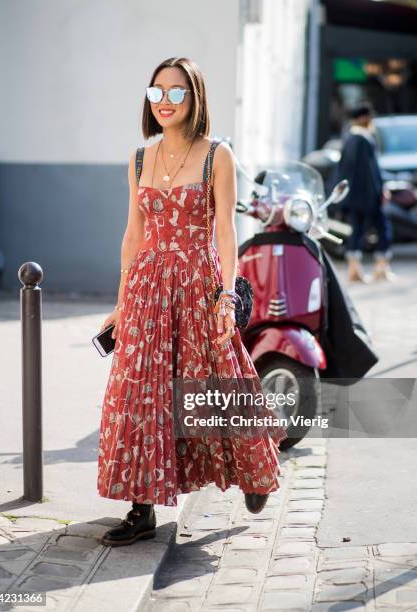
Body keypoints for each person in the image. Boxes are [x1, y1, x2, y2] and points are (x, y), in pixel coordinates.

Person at [96, 57, 288, 547]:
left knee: (218, 383)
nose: (164, 101)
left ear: (195, 98)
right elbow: (133, 233)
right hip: (146, 288)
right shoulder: (140, 158)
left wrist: (226, 296)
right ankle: (142, 508)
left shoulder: (216, 155)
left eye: (176, 92)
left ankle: (256, 469)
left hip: (199, 286)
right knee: (141, 393)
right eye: (156, 90)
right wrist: (121, 302)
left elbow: (226, 231)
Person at [333, 101, 395, 282]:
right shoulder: (364, 139)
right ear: (364, 118)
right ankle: (381, 267)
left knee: (357, 231)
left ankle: (355, 269)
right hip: (369, 195)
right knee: (383, 228)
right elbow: (371, 171)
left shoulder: (349, 139)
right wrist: (380, 190)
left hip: (354, 195)